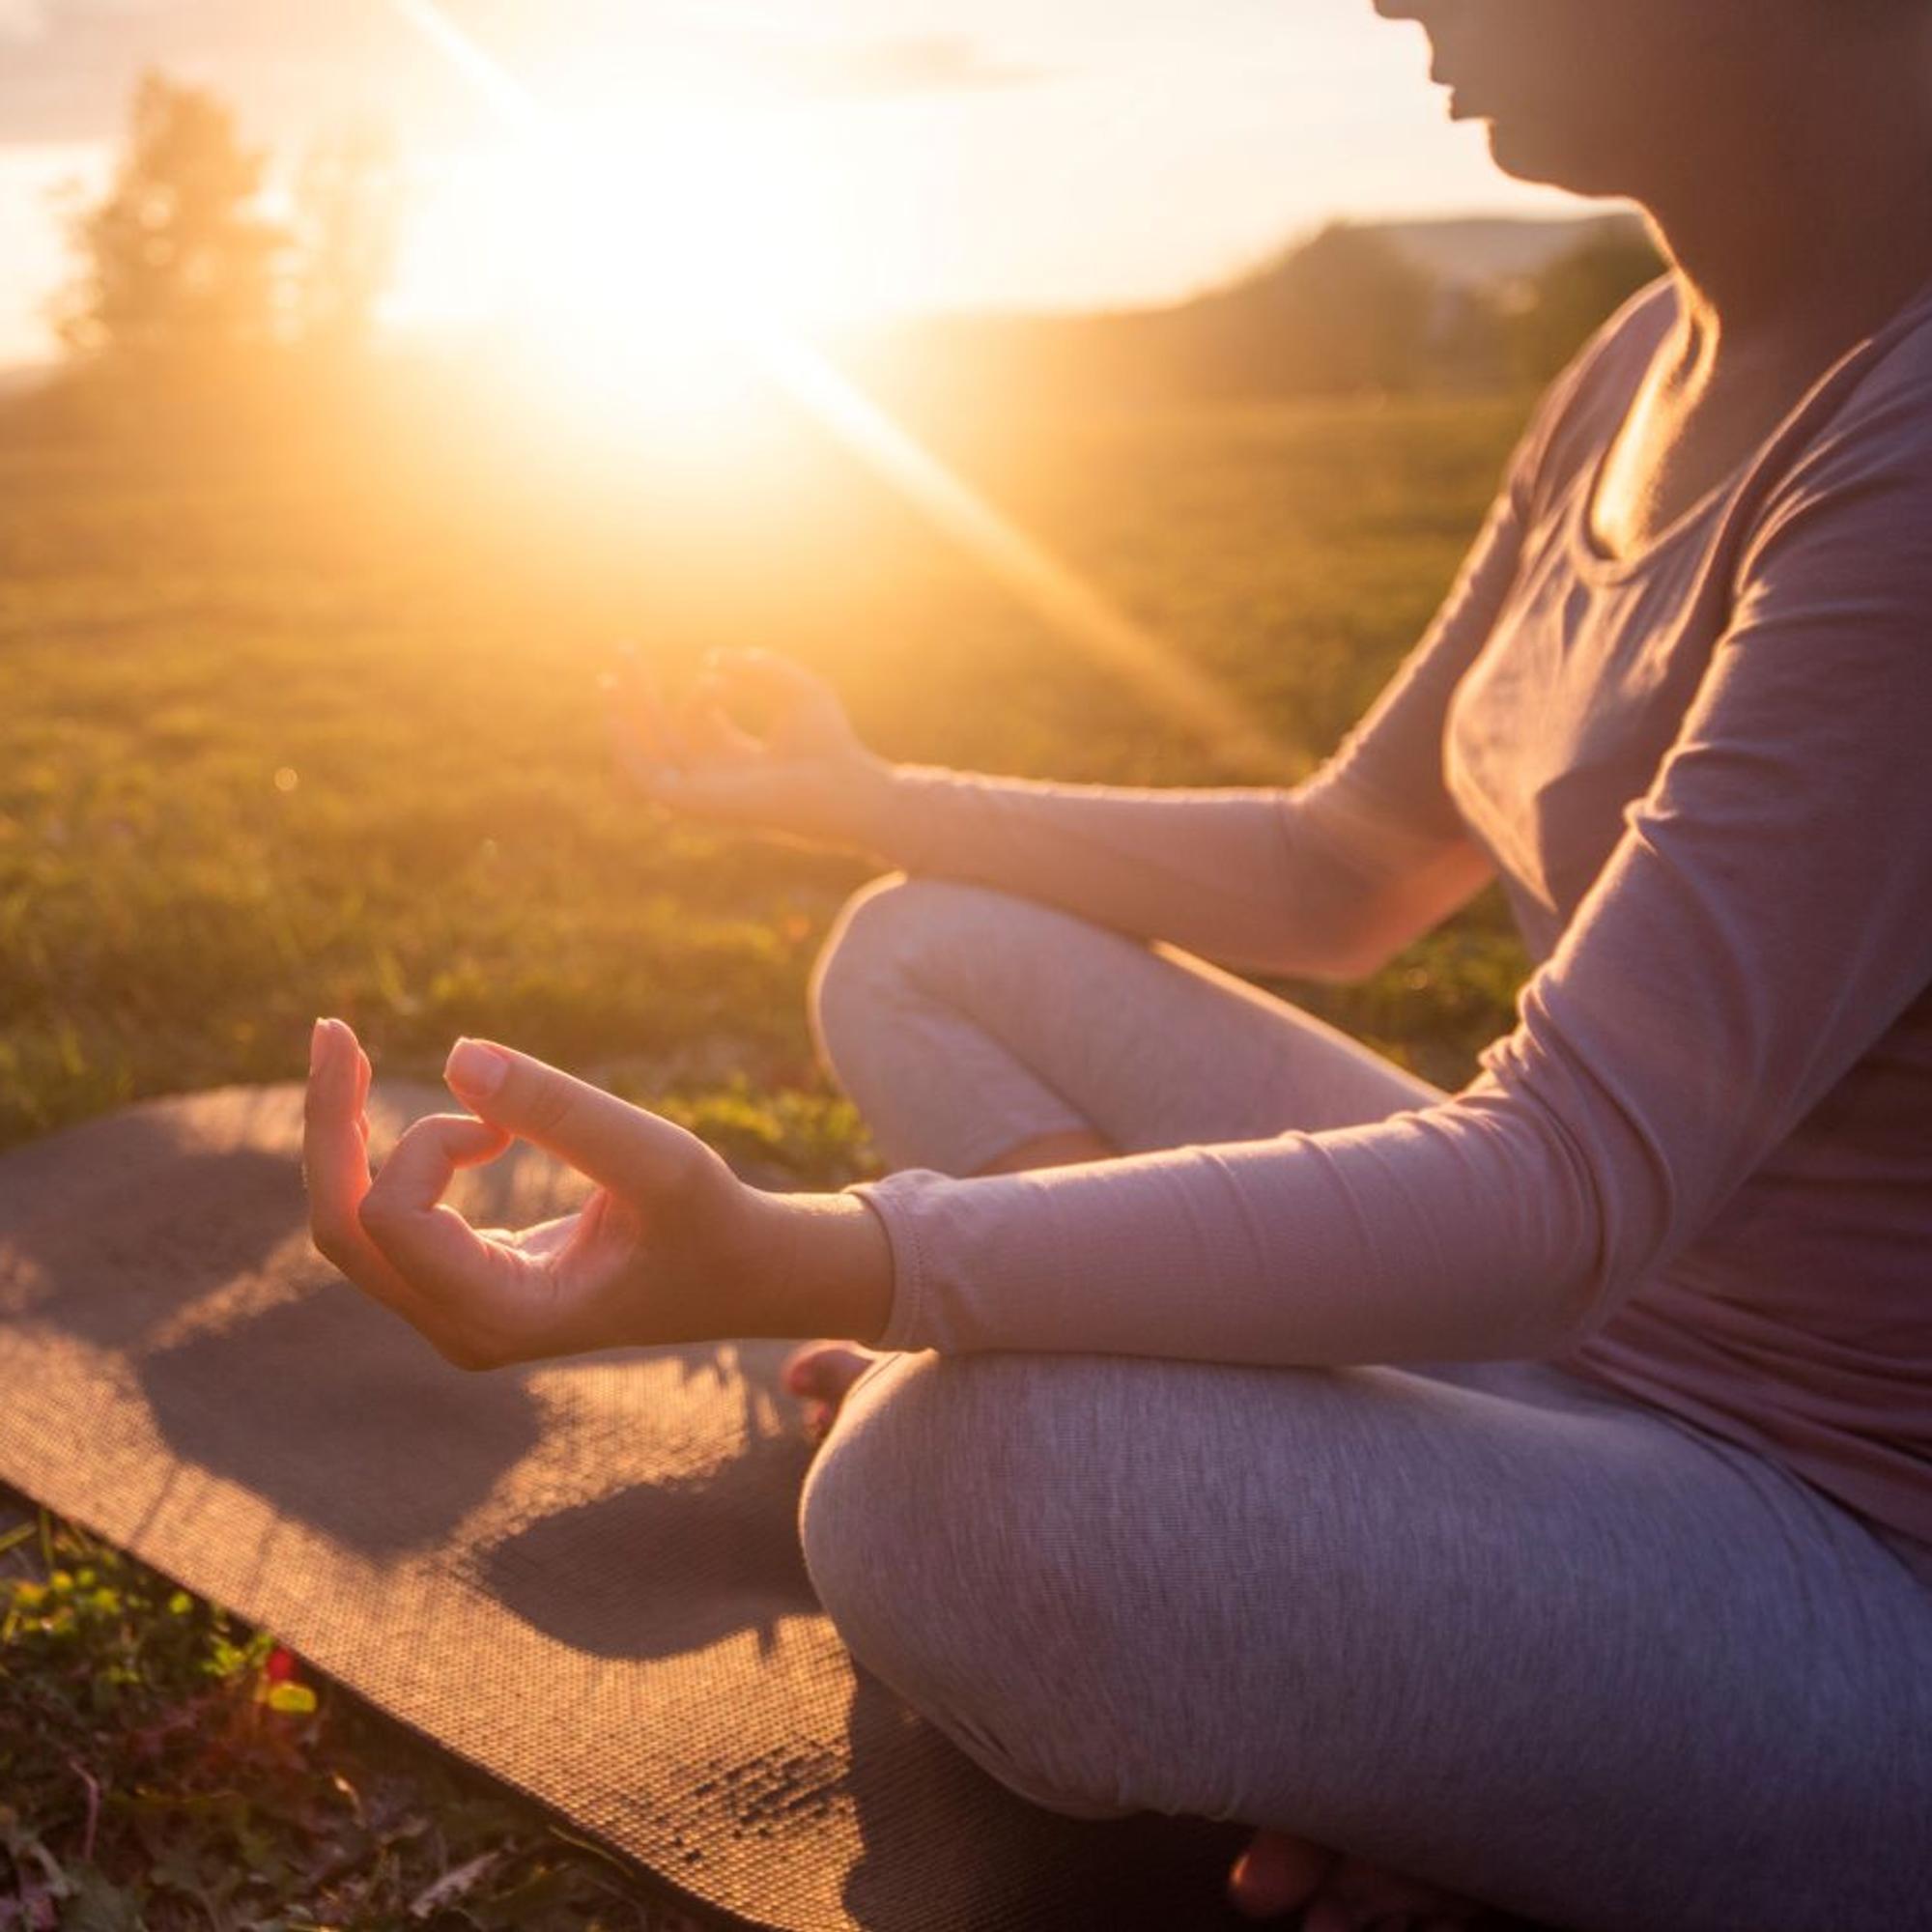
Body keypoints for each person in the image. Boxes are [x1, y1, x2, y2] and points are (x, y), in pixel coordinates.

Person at [303, 2, 1932, 1925]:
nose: (1393, 2)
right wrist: (863, 793)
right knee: (929, 948)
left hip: (1848, 1549)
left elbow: (1560, 1184)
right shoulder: (1638, 358)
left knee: (949, 1504)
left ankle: (1522, 1705)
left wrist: (831, 1256)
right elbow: (1339, 870)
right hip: (1597, 1337)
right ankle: (1429, 1654)